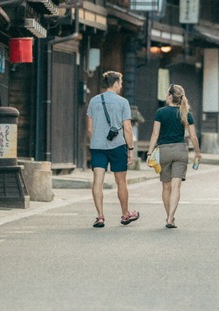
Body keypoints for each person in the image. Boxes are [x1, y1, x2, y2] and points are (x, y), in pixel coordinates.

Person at [145, 83, 203, 229]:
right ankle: (171, 218)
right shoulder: (185, 113)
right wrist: (197, 152)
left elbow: (155, 134)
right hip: (180, 151)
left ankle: (169, 216)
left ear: (170, 96)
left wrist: (149, 153)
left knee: (166, 187)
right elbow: (193, 136)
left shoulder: (160, 112)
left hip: (163, 151)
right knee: (176, 186)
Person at [86, 70, 139, 228]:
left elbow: (89, 129)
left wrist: (95, 141)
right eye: (120, 83)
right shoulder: (122, 102)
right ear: (115, 83)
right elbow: (128, 128)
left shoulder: (93, 101)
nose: (121, 86)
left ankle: (100, 216)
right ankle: (125, 214)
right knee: (121, 182)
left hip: (97, 146)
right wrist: (130, 149)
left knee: (98, 181)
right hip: (117, 146)